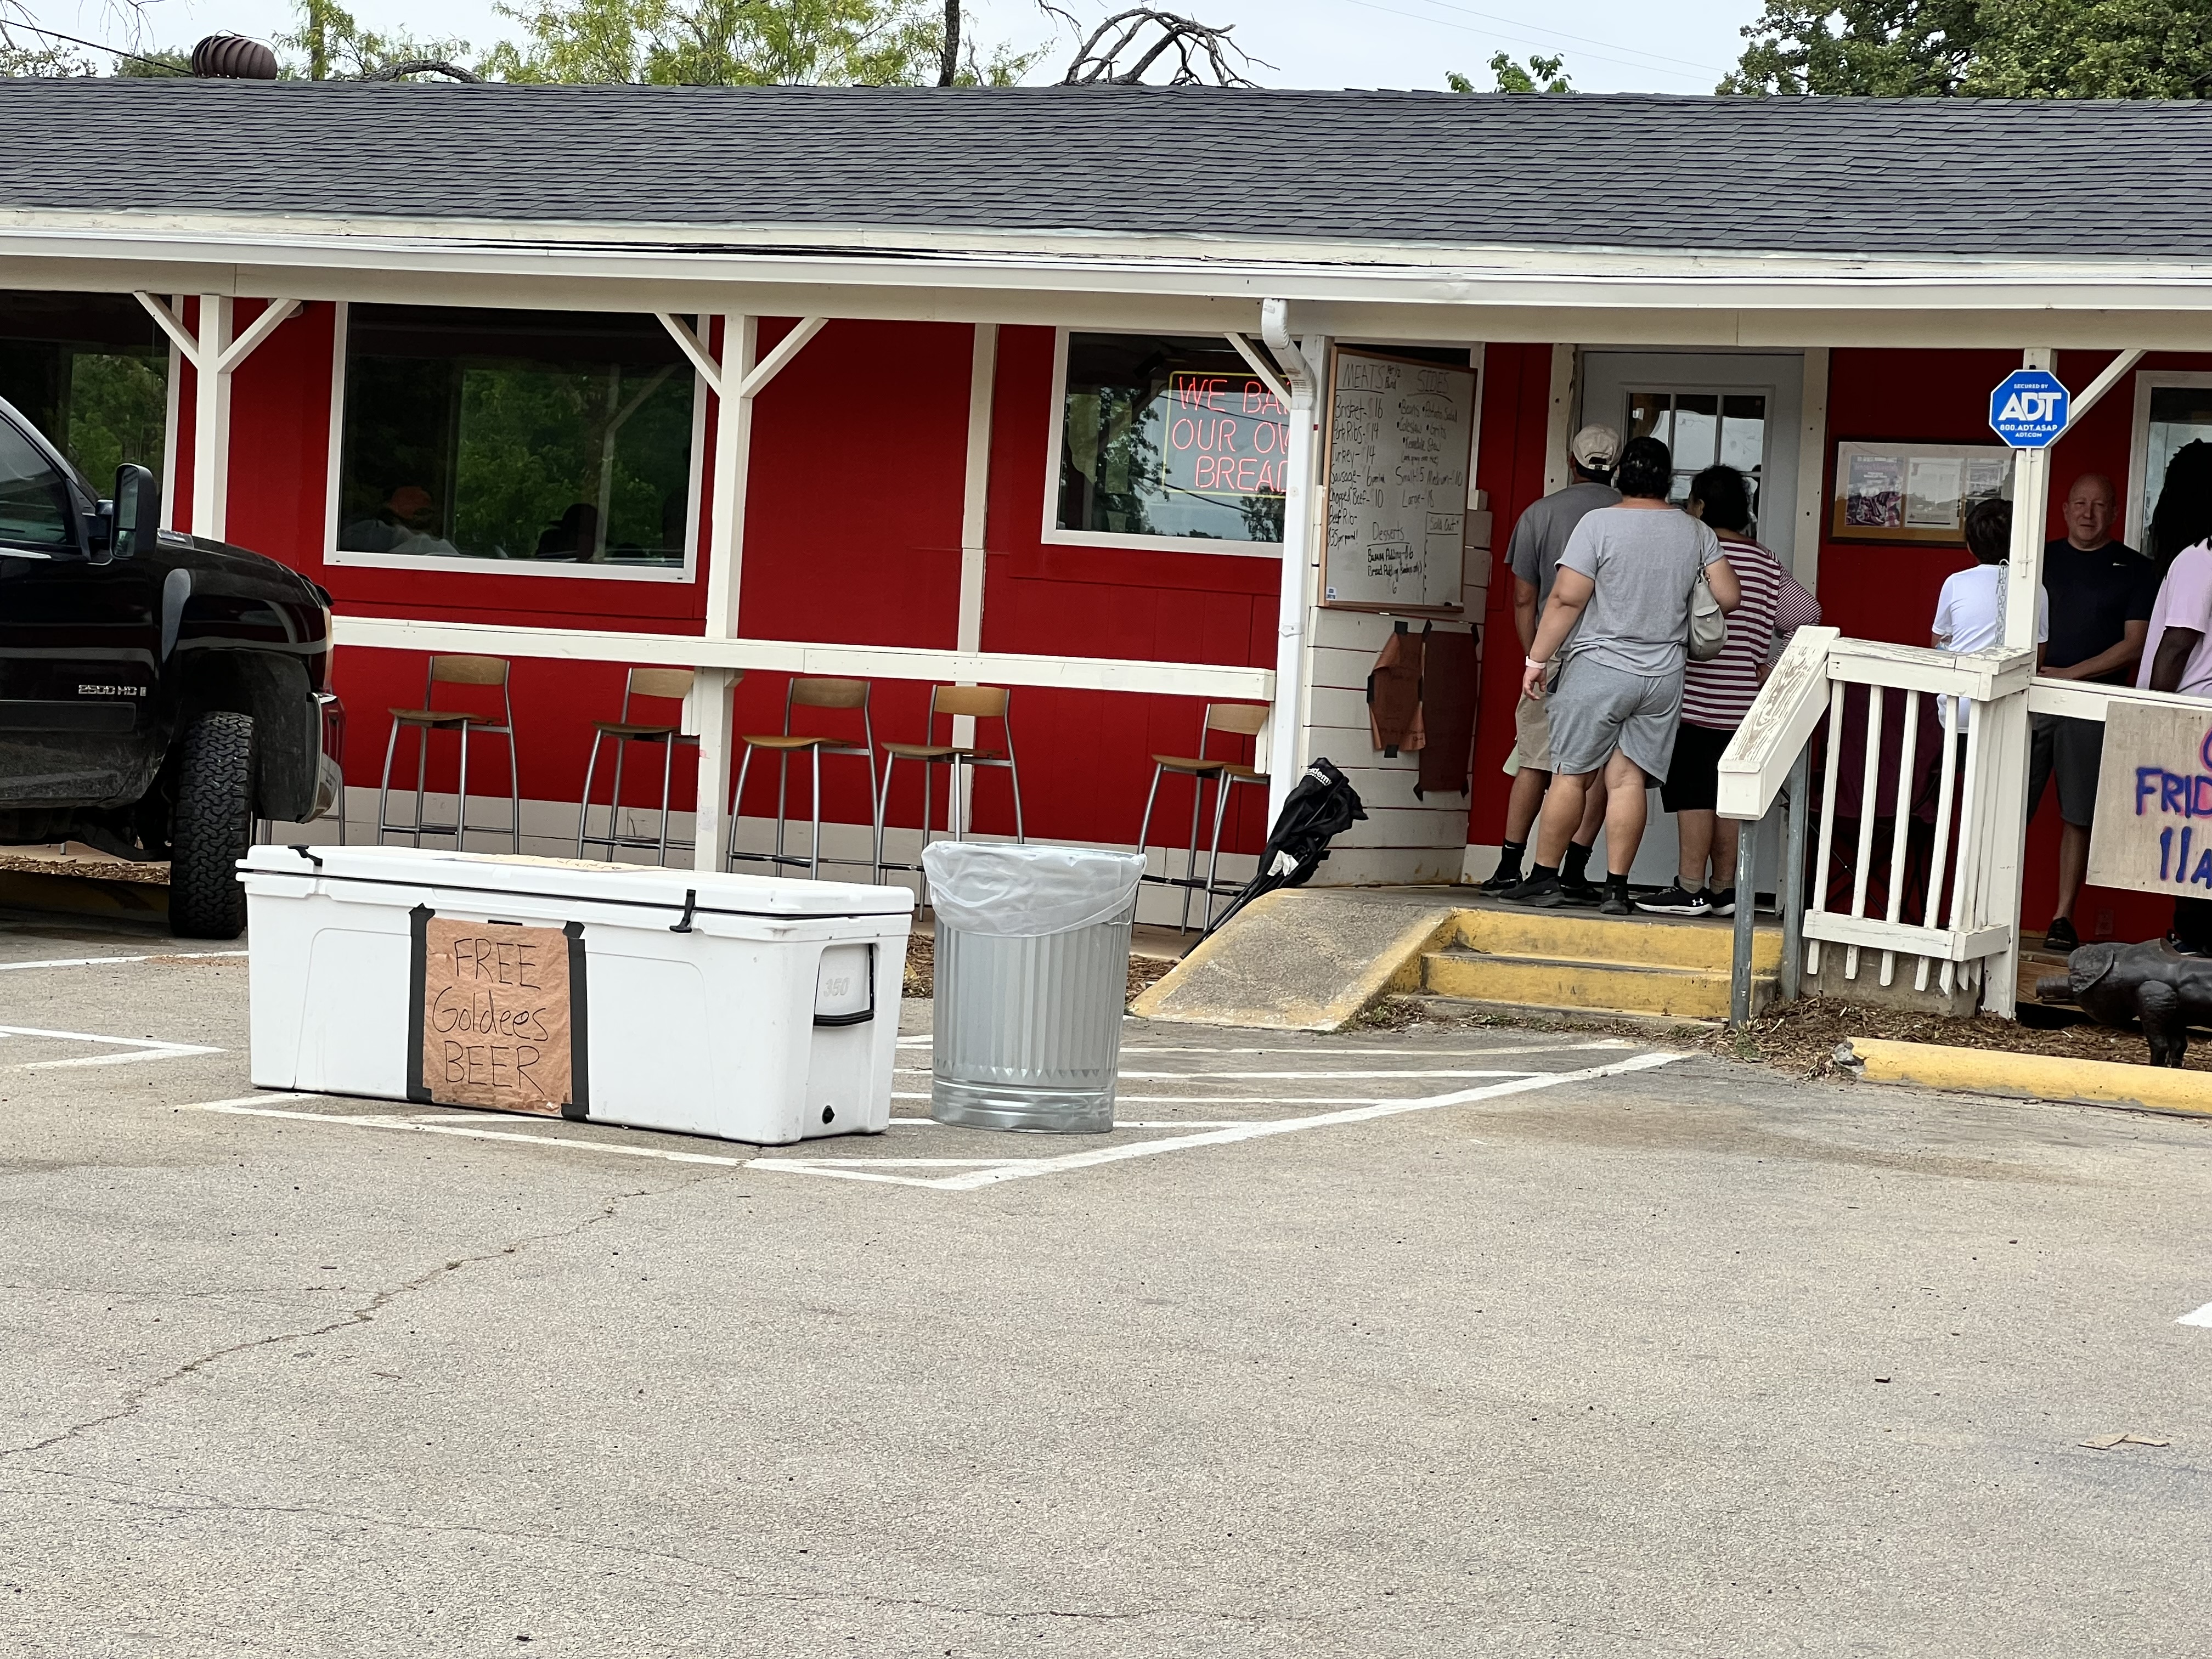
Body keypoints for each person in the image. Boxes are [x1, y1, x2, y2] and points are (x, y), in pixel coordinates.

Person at [1505, 435, 1742, 915]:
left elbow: (1565, 599)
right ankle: (1616, 889)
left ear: (1621, 476)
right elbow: (1729, 597)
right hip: (1663, 676)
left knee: (1571, 774)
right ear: (1667, 480)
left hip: (1600, 667)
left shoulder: (1599, 524)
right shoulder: (1695, 531)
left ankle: (1545, 877)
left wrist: (1537, 659)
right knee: (1628, 781)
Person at [1637, 465, 1821, 918]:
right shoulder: (1766, 561)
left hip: (1691, 698)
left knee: (1694, 796)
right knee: (1729, 799)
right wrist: (1773, 669)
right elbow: (1808, 616)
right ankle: (1725, 890)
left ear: (1699, 506)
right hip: (1744, 705)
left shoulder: (1694, 552)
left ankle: (1690, 888)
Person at [1480, 424, 1622, 901]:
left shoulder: (1539, 514)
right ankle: (1575, 871)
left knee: (1535, 761)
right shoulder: (1627, 514)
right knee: (1597, 770)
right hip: (1615, 657)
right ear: (1616, 465)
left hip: (1554, 652)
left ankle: (1509, 865)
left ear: (1570, 459)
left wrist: (1535, 656)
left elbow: (1525, 599)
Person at [2029, 472, 2157, 950]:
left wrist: (2071, 675)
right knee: (2007, 804)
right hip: (2031, 695)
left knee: (2078, 812)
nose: (2088, 513)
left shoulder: (2137, 569)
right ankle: (1990, 908)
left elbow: (2135, 645)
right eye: (2079, 503)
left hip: (2094, 701)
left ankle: (2062, 917)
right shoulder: (2035, 560)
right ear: (2064, 510)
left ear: (2115, 512)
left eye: (2099, 505)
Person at [2136, 441, 2212, 952]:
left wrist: (2151, 718)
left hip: (2190, 717)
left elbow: (2178, 642)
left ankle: (2194, 941)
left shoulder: (2199, 556)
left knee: (2190, 841)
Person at [1932, 500, 2046, 726]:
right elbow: (2039, 652)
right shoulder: (2036, 588)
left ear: (1970, 546)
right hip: (2012, 709)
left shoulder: (1956, 583)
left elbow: (1939, 643)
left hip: (1960, 707)